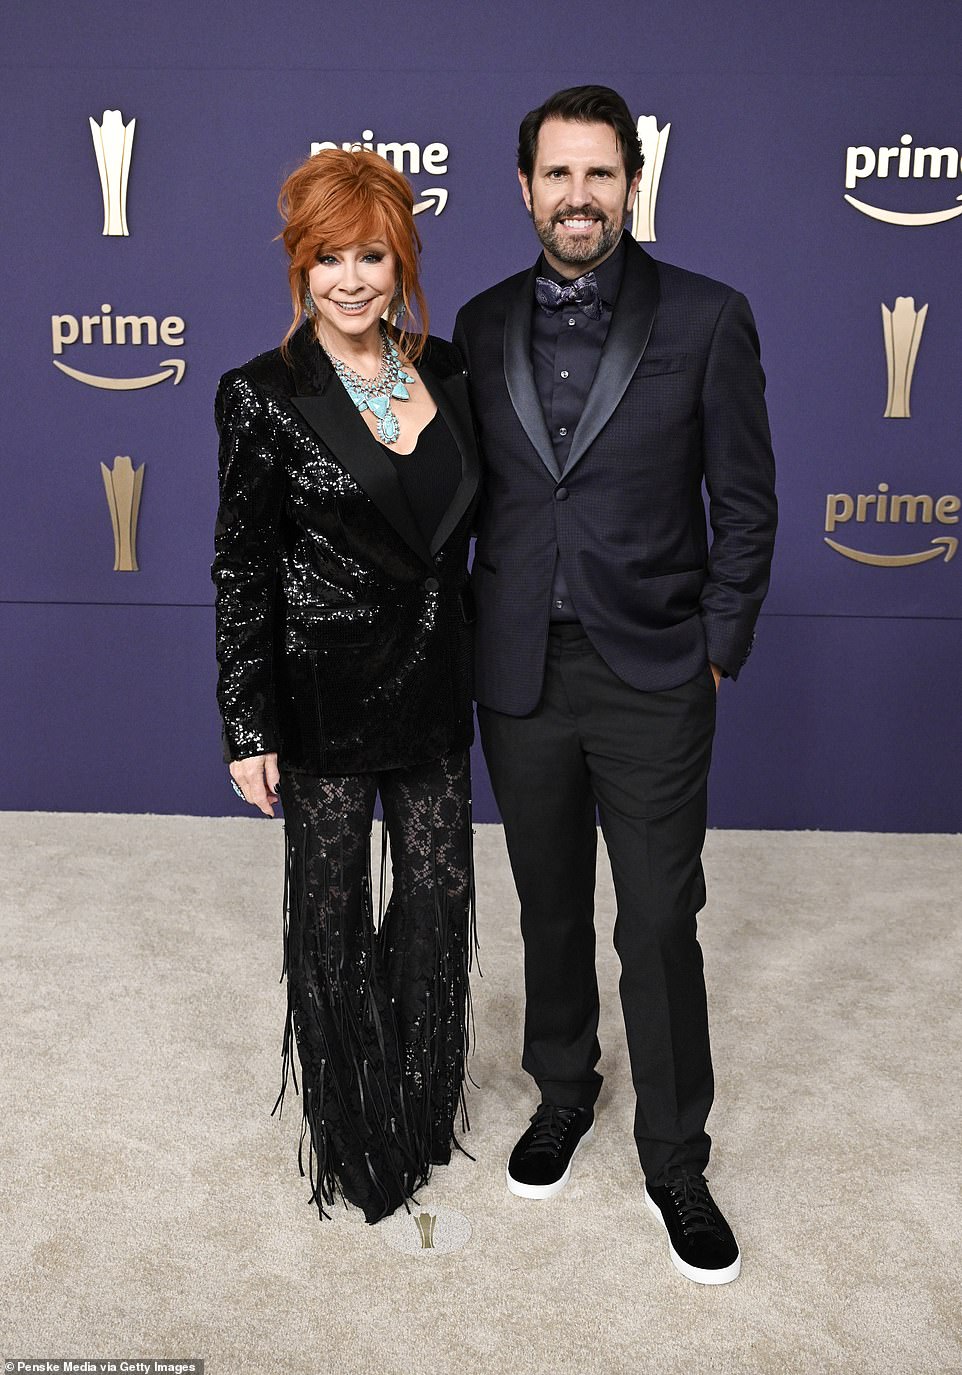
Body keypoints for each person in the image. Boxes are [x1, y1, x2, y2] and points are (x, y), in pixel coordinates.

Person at [454, 85, 777, 1284]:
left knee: (654, 919)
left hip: (652, 670)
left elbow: (744, 503)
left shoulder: (706, 317)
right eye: (556, 176)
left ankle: (676, 1157)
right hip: (518, 672)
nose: (577, 197)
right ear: (523, 189)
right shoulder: (478, 326)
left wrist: (714, 645)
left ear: (630, 184)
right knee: (547, 904)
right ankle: (561, 1088)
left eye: (599, 175)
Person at [212, 148, 480, 1224]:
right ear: (300, 266)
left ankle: (415, 1111)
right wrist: (246, 724)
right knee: (327, 917)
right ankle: (354, 1133)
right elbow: (241, 566)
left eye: (372, 254)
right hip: (320, 691)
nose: (353, 279)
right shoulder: (262, 396)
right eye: (330, 258)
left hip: (433, 685)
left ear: (401, 257)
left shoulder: (450, 369)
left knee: (436, 904)